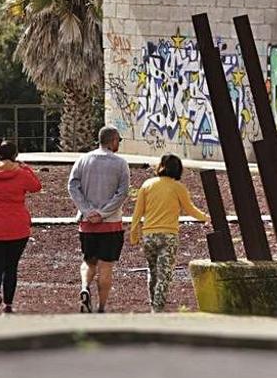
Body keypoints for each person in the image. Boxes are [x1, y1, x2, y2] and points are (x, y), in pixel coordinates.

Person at [130, 154, 208, 312]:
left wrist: (134, 233)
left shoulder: (147, 185)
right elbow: (190, 209)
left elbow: (137, 213)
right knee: (164, 275)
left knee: (152, 272)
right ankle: (157, 309)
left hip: (149, 236)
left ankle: (154, 304)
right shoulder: (178, 188)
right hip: (169, 236)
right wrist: (206, 218)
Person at [0, 141, 42, 315]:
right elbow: (36, 186)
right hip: (17, 226)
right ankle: (9, 305)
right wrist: (24, 167)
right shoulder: (21, 174)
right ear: (15, 156)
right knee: (11, 266)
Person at [68, 126, 130, 313]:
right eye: (118, 140)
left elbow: (73, 185)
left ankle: (85, 287)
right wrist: (103, 213)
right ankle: (101, 307)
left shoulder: (83, 160)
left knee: (88, 261)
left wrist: (87, 211)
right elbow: (122, 193)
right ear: (113, 141)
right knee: (106, 267)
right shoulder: (120, 163)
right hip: (111, 224)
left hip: (87, 225)